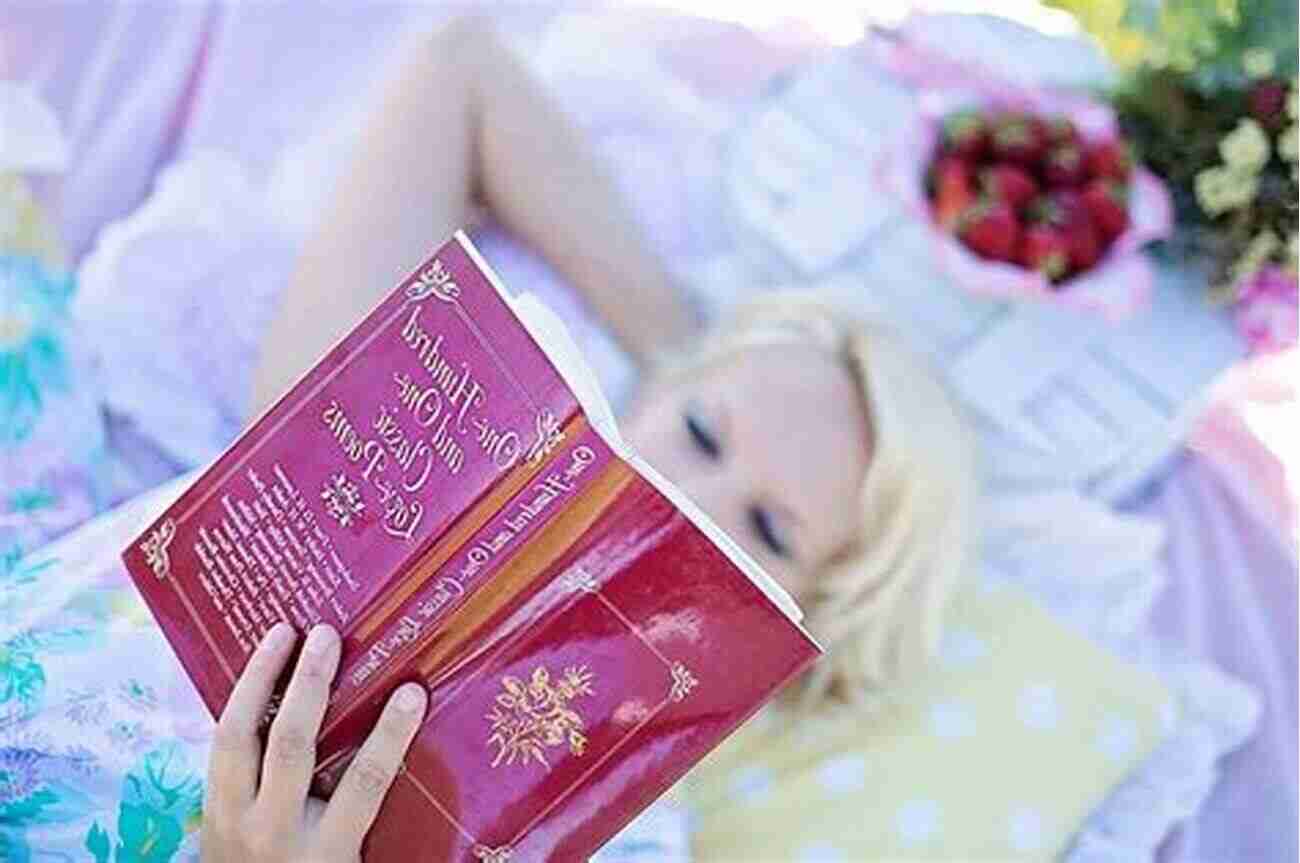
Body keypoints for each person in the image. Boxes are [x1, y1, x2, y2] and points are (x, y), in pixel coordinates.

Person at [9, 14, 974, 862]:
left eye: (769, 528)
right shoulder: (365, 453)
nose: (692, 498)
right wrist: (688, 346)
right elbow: (461, 73)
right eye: (698, 435)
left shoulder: (618, 833)